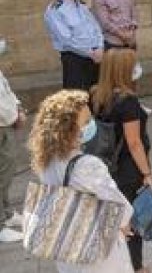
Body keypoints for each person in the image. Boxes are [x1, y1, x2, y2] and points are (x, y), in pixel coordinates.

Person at [28, 89, 135, 272]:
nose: (91, 125)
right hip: (98, 253)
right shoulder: (87, 165)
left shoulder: (47, 160)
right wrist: (125, 225)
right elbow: (120, 207)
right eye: (86, 122)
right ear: (68, 131)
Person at [90, 48, 152, 272]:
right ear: (124, 70)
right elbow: (134, 143)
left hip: (105, 167)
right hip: (127, 170)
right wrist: (147, 174)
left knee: (114, 221)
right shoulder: (128, 102)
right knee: (132, 222)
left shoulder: (96, 95)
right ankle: (136, 268)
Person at [44, 0, 105, 90]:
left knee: (97, 94)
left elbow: (95, 27)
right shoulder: (55, 9)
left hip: (96, 55)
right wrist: (90, 53)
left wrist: (100, 47)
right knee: (77, 97)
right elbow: (67, 40)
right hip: (75, 58)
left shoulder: (81, 4)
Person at [0, 40, 24, 244]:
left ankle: (7, 214)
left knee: (6, 171)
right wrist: (13, 116)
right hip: (2, 123)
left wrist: (18, 109)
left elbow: (7, 92)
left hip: (6, 125)